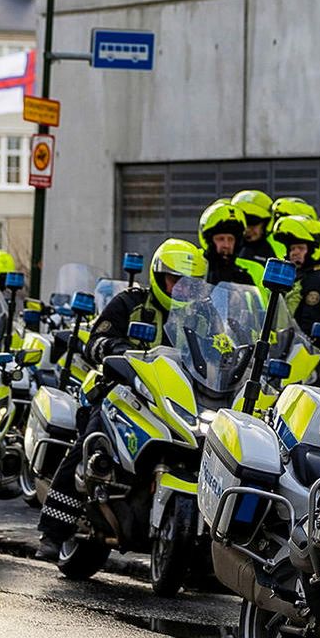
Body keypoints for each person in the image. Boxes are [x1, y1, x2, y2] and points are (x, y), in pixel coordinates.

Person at [34, 239, 202, 559]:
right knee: (93, 439)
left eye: (187, 284)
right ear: (158, 275)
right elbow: (96, 340)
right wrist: (116, 349)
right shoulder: (132, 302)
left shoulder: (199, 317)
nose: (179, 288)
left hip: (173, 399)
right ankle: (54, 531)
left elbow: (216, 351)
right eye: (173, 280)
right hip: (119, 388)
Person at [272, 215, 320, 356]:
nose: (294, 253)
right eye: (292, 248)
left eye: (300, 248)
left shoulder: (319, 280)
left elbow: (308, 325)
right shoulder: (301, 277)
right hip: (289, 350)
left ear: (314, 250)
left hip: (312, 356)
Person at [198, 201, 254, 285]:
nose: (226, 245)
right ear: (210, 241)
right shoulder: (196, 265)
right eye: (221, 239)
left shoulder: (243, 275)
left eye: (230, 239)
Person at [231, 190, 277, 262]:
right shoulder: (225, 247)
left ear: (265, 225)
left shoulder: (273, 252)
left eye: (253, 223)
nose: (247, 229)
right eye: (243, 223)